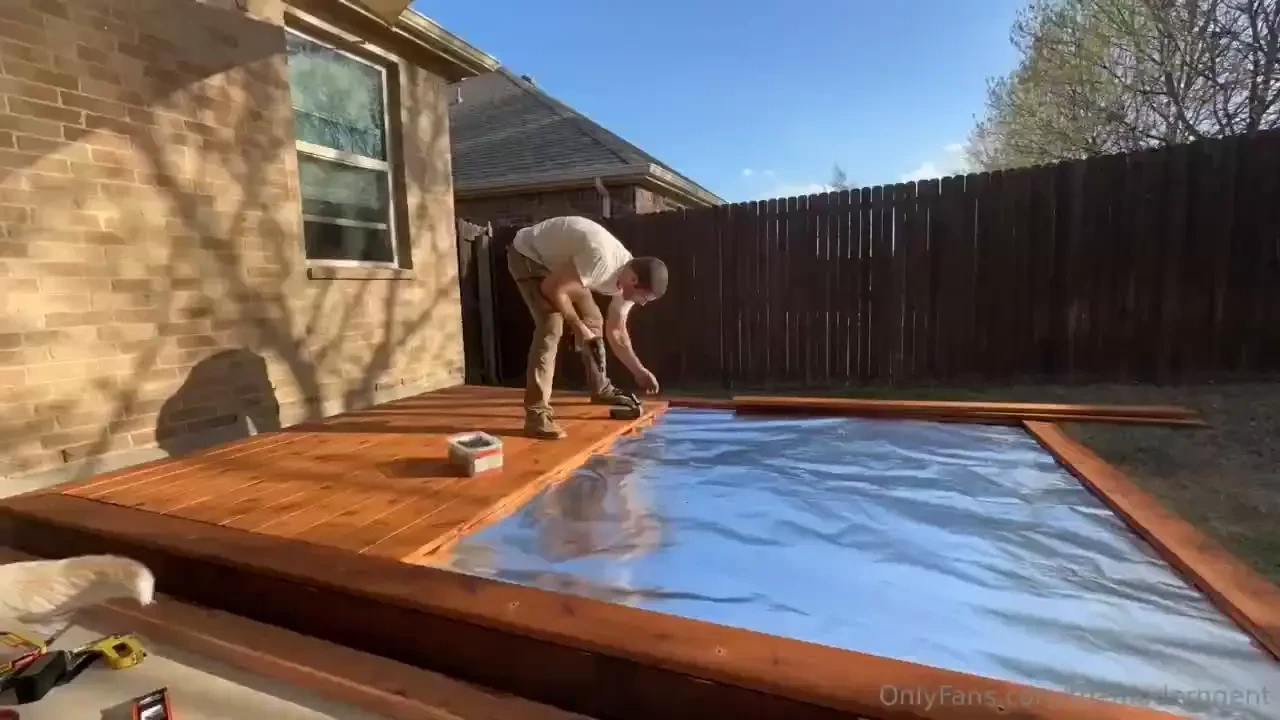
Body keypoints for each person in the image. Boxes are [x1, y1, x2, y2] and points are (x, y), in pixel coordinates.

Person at [506, 215, 666, 439]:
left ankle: (601, 389)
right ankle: (536, 415)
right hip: (529, 256)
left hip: (561, 266)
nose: (641, 303)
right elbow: (552, 288)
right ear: (633, 279)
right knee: (551, 327)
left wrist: (638, 371)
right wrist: (577, 325)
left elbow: (617, 331)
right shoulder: (600, 262)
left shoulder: (626, 278)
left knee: (595, 321)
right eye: (643, 298)